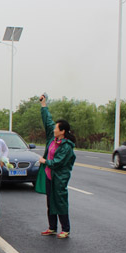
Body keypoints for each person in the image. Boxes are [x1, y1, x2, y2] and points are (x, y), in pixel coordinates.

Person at [36, 95, 77, 238]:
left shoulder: (67, 146)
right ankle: (52, 227)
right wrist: (44, 105)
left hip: (60, 177)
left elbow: (58, 162)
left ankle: (65, 229)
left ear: (62, 131)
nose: (54, 129)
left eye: (56, 128)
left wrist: (44, 161)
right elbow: (48, 122)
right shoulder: (52, 139)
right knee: (50, 201)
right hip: (49, 176)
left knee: (60, 201)